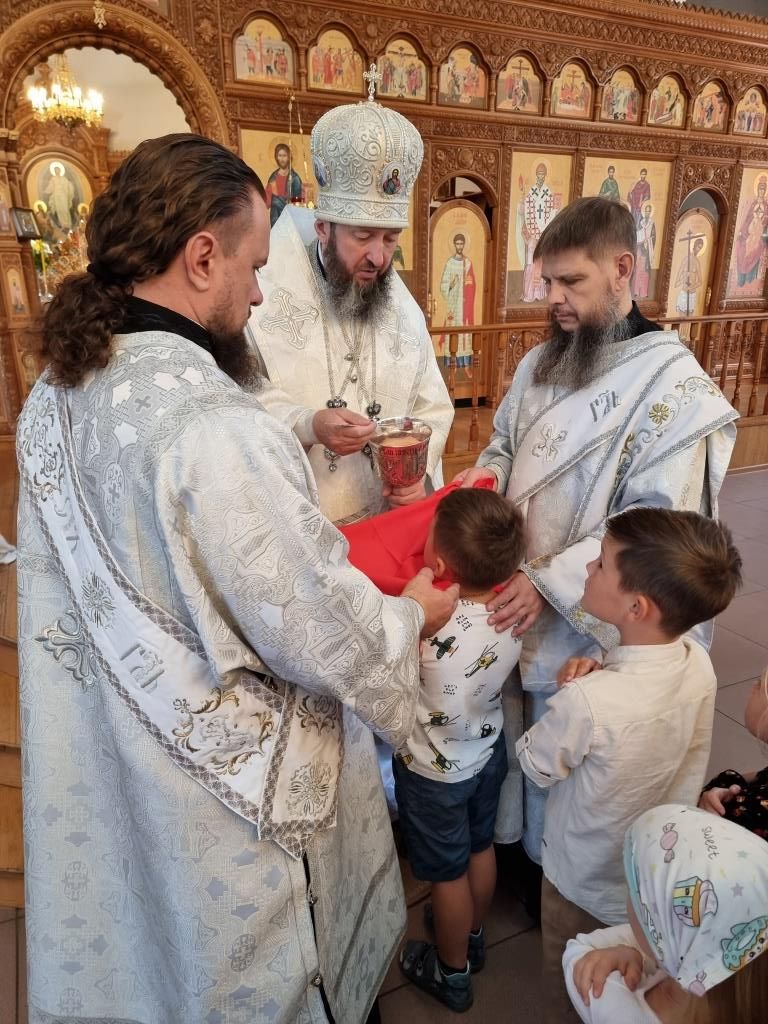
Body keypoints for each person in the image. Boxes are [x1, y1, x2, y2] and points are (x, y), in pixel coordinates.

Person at [15, 133, 460, 1024]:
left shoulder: (55, 391)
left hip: (119, 748)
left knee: (156, 938)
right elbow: (315, 628)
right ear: (201, 256)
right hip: (227, 797)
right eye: (253, 267)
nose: (259, 293)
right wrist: (411, 615)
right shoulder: (217, 429)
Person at [457, 196, 739, 903]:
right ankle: (518, 852)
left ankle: (563, 881)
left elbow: (656, 527)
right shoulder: (541, 361)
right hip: (517, 587)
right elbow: (504, 445)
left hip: (591, 603)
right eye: (547, 281)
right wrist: (485, 478)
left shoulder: (672, 388)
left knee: (582, 742)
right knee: (525, 729)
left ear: (622, 270)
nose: (554, 298)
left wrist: (548, 579)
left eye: (571, 282)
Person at [516, 507, 743, 1023]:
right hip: (652, 878)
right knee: (633, 974)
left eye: (600, 564)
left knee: (575, 983)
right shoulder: (698, 663)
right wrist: (600, 673)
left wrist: (574, 698)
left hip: (582, 879)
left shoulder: (587, 705)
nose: (588, 569)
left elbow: (535, 765)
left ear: (637, 607)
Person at [248, 92, 453, 525]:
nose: (379, 257)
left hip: (385, 517)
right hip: (306, 526)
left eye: (390, 239)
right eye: (363, 237)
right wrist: (308, 424)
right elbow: (243, 398)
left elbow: (433, 406)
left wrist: (415, 474)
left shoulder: (403, 311)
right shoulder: (262, 299)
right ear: (324, 228)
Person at [393, 488, 526, 1012]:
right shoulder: (511, 614)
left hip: (434, 774)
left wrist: (406, 615)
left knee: (446, 877)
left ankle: (451, 972)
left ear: (441, 563)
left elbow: (387, 677)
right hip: (486, 754)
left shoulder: (428, 629)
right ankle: (472, 936)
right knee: (479, 848)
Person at [564, 804, 768, 1023]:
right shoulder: (703, 972)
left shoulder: (617, 1009)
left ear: (664, 938)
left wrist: (633, 953)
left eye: (634, 892)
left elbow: (576, 952)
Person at [699, 666, 768, 840]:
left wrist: (704, 812)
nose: (753, 686)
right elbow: (762, 774)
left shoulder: (748, 816)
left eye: (760, 685)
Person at [520, 163, 560, 302]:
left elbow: (551, 212)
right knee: (530, 261)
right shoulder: (531, 193)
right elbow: (527, 211)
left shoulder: (548, 193)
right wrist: (535, 229)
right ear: (536, 175)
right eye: (539, 174)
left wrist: (543, 228)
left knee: (542, 262)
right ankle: (529, 293)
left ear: (545, 176)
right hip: (533, 232)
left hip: (543, 233)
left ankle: (539, 293)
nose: (540, 177)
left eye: (543, 175)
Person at [438, 232, 476, 372]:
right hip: (453, 306)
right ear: (454, 245)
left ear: (464, 245)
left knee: (465, 334)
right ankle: (452, 366)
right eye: (457, 244)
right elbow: (443, 285)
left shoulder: (468, 263)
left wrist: (468, 285)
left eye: (461, 244)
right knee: (452, 333)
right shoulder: (450, 263)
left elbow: (472, 284)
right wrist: (452, 284)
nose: (459, 246)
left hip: (465, 305)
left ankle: (466, 366)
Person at [734, 175, 768, 291]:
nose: (761, 191)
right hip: (748, 233)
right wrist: (741, 232)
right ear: (757, 190)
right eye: (760, 189)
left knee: (756, 249)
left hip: (759, 235)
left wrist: (762, 232)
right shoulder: (753, 204)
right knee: (741, 247)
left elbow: (766, 224)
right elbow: (746, 219)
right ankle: (741, 279)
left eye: (763, 189)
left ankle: (750, 278)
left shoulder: (766, 206)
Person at [265, 142, 304, 228]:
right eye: (280, 155)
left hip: (290, 218)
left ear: (289, 157)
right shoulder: (273, 177)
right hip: (275, 219)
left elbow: (298, 201)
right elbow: (267, 200)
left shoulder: (295, 178)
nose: (282, 159)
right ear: (276, 157)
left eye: (284, 156)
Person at [674, 236, 706, 316]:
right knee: (681, 319)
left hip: (692, 295)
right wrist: (684, 279)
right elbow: (676, 284)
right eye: (698, 247)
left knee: (689, 320)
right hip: (684, 295)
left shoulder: (697, 262)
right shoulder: (685, 260)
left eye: (700, 248)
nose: (698, 250)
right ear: (694, 246)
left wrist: (691, 287)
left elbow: (700, 282)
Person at [632, 203, 656, 299]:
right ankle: (636, 291)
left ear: (650, 213)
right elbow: (636, 234)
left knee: (645, 271)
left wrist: (648, 241)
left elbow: (654, 237)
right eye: (646, 211)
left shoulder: (652, 224)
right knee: (638, 269)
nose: (647, 213)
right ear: (643, 212)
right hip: (640, 248)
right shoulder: (640, 222)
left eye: (649, 211)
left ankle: (644, 292)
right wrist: (640, 240)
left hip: (647, 249)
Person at [45, 162, 75, 231]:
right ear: (54, 171)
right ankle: (63, 224)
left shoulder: (64, 179)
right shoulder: (53, 179)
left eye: (58, 170)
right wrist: (46, 191)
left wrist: (69, 188)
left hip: (64, 195)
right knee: (59, 210)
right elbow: (50, 187)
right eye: (55, 170)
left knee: (65, 209)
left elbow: (69, 187)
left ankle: (68, 223)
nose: (57, 171)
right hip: (57, 196)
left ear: (60, 171)